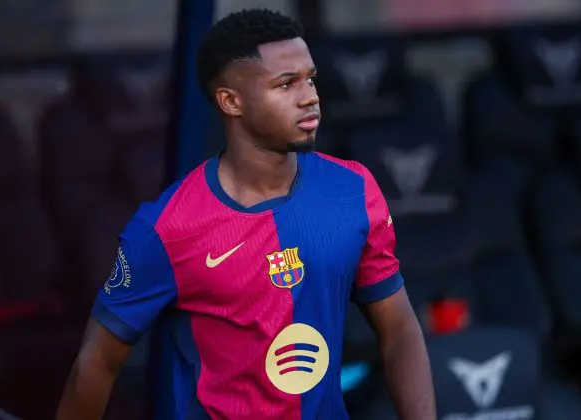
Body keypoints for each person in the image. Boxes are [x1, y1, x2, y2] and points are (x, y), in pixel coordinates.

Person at [56, 8, 436, 420]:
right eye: (286, 84)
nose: (309, 96)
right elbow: (97, 361)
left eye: (310, 78)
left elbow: (399, 330)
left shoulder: (354, 190)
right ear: (231, 101)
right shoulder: (167, 228)